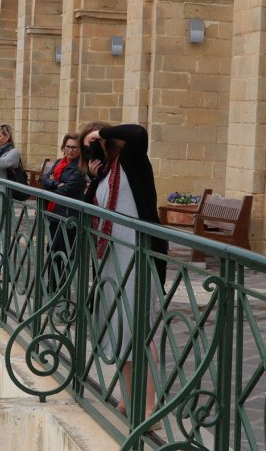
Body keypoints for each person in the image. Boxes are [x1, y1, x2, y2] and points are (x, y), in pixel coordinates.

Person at [79, 121, 167, 420]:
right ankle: (128, 398)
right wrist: (91, 179)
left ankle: (149, 405)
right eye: (89, 144)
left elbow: (139, 132)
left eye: (100, 141)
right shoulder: (104, 174)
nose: (96, 146)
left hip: (138, 256)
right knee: (121, 330)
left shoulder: (132, 161)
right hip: (112, 261)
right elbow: (86, 211)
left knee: (141, 331)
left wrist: (103, 133)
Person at [40, 133, 86, 289]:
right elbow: (43, 179)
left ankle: (63, 286)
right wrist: (55, 184)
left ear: (80, 149)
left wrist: (52, 184)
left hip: (68, 215)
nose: (71, 150)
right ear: (63, 147)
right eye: (68, 147)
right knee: (52, 248)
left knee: (64, 250)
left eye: (75, 147)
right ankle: (52, 284)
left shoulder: (80, 167)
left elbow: (67, 190)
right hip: (53, 212)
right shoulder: (60, 162)